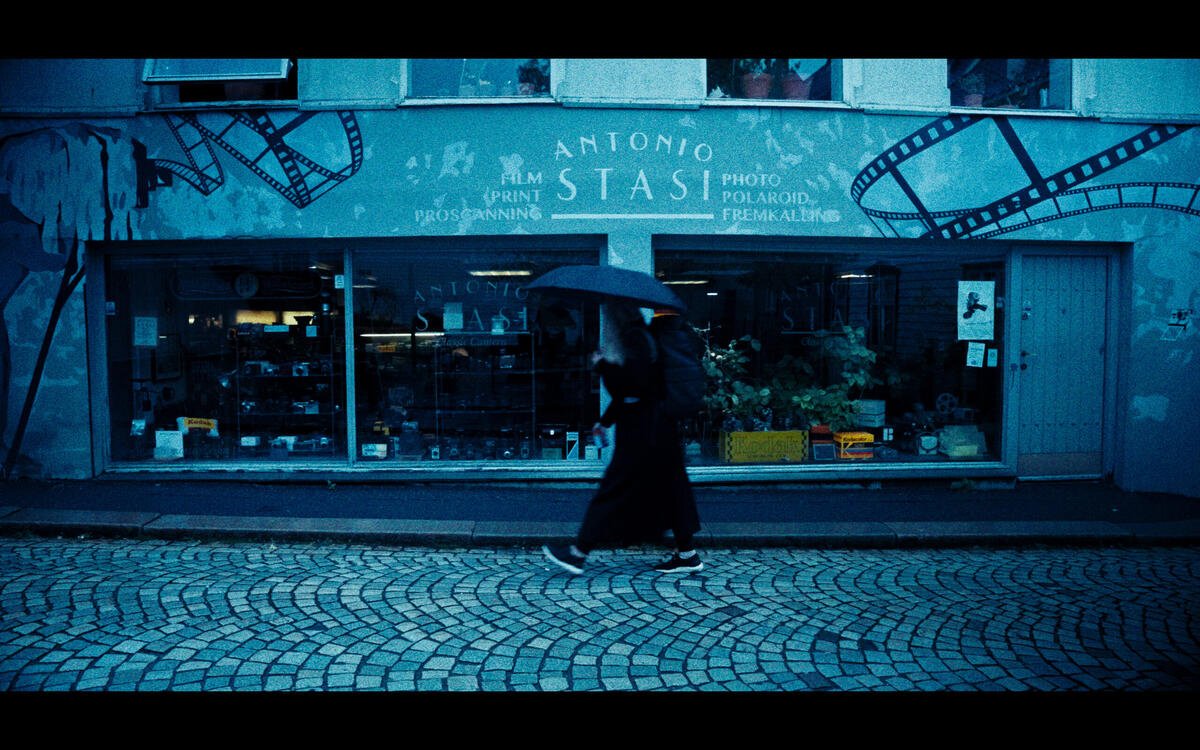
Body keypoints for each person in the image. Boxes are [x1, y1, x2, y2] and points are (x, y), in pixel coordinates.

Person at [542, 301, 703, 575]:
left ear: (616, 316)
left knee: (614, 487)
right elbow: (633, 392)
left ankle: (578, 552)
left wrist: (602, 366)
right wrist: (605, 422)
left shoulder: (636, 338)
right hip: (656, 426)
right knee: (672, 488)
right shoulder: (643, 336)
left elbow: (634, 385)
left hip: (644, 430)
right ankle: (687, 554)